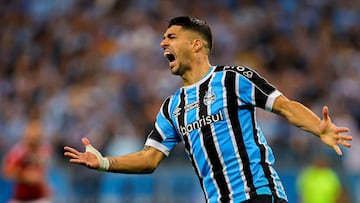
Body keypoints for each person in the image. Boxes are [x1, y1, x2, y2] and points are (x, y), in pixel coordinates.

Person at [64, 16, 352, 203]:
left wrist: (318, 127)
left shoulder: (232, 78)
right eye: (163, 37)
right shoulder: (171, 107)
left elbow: (285, 107)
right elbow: (149, 159)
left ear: (197, 44)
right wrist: (105, 162)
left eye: (172, 36)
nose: (163, 42)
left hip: (258, 195)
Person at [2, 119, 52, 203]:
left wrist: (25, 175)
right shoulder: (19, 150)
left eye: (37, 132)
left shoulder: (44, 149)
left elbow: (41, 175)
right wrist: (24, 176)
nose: (35, 135)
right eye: (32, 131)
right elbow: (6, 172)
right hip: (20, 198)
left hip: (39, 197)